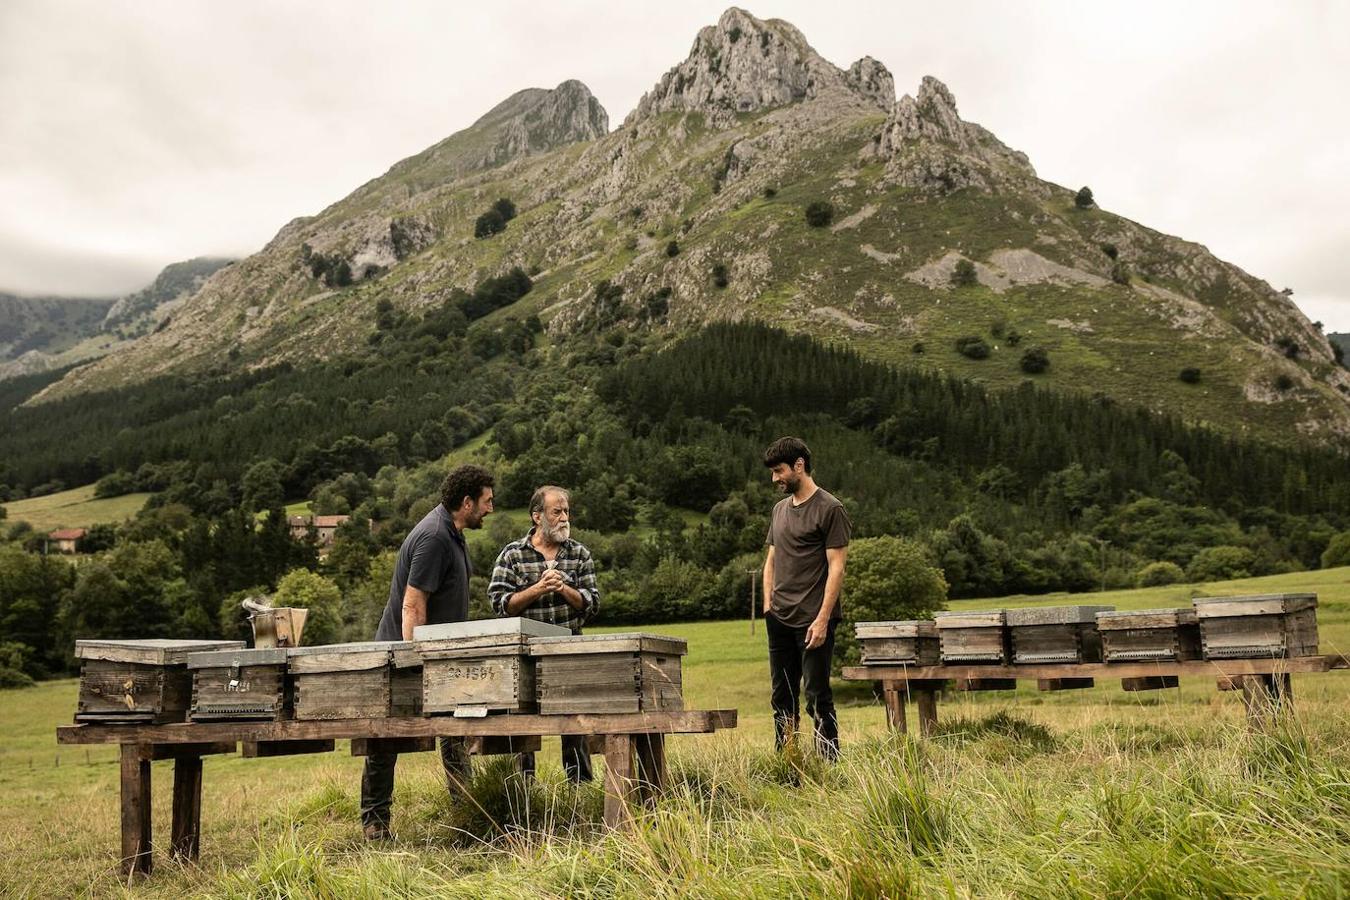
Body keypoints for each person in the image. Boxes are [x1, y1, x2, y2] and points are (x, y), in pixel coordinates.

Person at [359, 463, 495, 841]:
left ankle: (467, 813)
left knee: (455, 732)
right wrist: (415, 660)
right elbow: (413, 605)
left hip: (439, 655)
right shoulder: (435, 536)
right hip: (409, 654)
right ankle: (375, 823)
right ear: (466, 502)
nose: (490, 508)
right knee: (386, 739)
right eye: (486, 501)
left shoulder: (451, 531)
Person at [488, 485, 600, 781]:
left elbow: (592, 604)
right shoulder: (512, 555)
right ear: (537, 516)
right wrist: (538, 588)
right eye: (557, 511)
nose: (564, 517)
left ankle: (581, 793)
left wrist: (563, 588)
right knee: (521, 728)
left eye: (566, 511)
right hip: (524, 657)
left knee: (575, 728)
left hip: (569, 655)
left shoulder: (579, 554)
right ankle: (522, 795)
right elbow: (501, 605)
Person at [761, 436, 850, 760]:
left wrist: (824, 618)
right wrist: (768, 606)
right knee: (781, 696)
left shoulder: (831, 508)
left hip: (814, 619)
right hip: (779, 618)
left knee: (816, 696)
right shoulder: (779, 510)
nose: (775, 479)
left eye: (779, 470)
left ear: (799, 465)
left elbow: (837, 567)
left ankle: (829, 762)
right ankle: (787, 761)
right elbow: (771, 560)